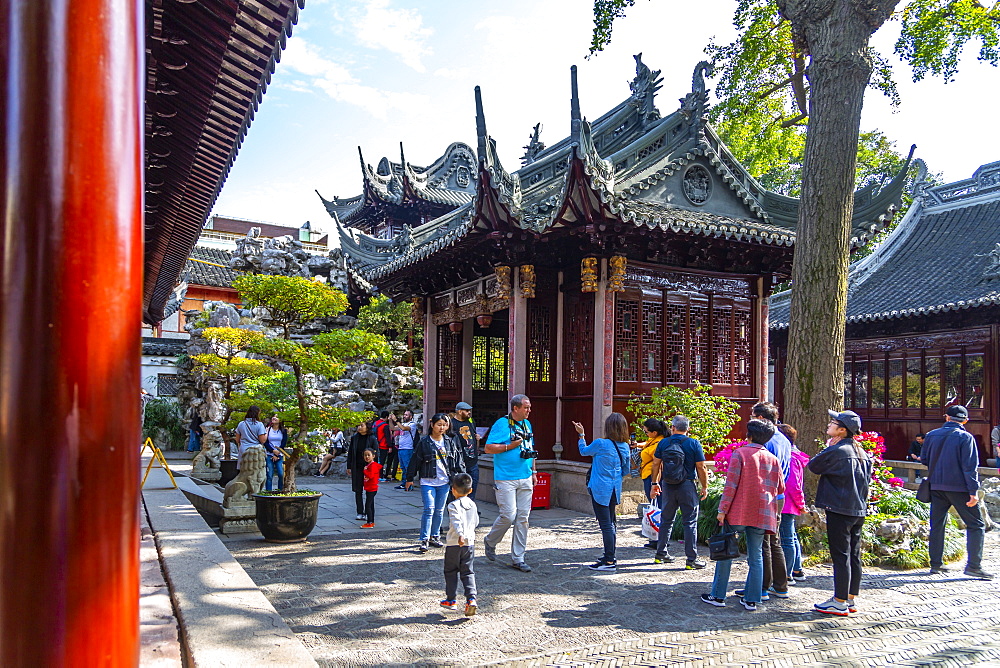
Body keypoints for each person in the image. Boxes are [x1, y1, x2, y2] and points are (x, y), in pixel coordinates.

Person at [700, 419, 784, 612]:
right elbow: (780, 487)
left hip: (739, 511)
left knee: (726, 552)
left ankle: (718, 595)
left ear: (750, 435)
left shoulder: (740, 454)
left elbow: (731, 486)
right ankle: (752, 599)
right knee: (756, 556)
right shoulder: (773, 458)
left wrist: (722, 510)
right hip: (763, 513)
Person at [809, 409, 873, 616]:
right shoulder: (861, 451)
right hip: (857, 508)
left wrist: (828, 448)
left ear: (842, 430)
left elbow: (814, 466)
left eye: (833, 422)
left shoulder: (838, 450)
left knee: (841, 555)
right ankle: (850, 597)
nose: (829, 424)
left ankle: (838, 600)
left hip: (839, 507)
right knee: (853, 554)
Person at [923, 404, 993, 580]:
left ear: (946, 417)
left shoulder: (931, 435)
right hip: (959, 488)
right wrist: (973, 491)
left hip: (936, 486)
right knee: (976, 525)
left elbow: (924, 459)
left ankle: (936, 564)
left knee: (937, 524)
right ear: (965, 420)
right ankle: (974, 566)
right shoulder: (965, 437)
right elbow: (970, 467)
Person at [483, 394, 537, 573]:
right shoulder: (502, 424)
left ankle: (518, 558)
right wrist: (509, 446)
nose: (529, 410)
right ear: (516, 408)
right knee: (508, 515)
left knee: (523, 518)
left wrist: (534, 471)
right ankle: (490, 541)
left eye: (529, 407)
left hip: (525, 475)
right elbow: (488, 448)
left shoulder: (527, 424)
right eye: (526, 407)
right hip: (506, 477)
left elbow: (531, 449)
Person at [573, 413, 631, 571]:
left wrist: (581, 435)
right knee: (611, 523)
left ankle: (609, 561)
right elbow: (626, 469)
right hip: (615, 488)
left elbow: (584, 451)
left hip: (600, 488)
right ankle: (609, 556)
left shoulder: (600, 443)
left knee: (606, 525)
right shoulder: (625, 446)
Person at [651, 415, 709, 570]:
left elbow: (656, 464)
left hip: (668, 485)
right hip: (687, 486)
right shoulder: (693, 443)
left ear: (673, 427)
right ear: (688, 429)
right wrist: (704, 486)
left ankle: (660, 554)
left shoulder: (664, 442)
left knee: (666, 520)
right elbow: (701, 467)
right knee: (690, 522)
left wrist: (654, 484)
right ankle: (691, 560)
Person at [405, 413, 467, 553]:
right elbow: (415, 460)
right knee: (429, 509)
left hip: (444, 481)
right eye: (439, 424)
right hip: (428, 480)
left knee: (439, 511)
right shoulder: (424, 442)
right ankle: (424, 539)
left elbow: (457, 460)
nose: (442, 428)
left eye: (445, 425)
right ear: (432, 424)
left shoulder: (449, 441)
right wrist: (409, 478)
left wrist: (461, 479)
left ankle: (435, 536)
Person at [750, 402, 790, 598]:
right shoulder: (783, 439)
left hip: (766, 495)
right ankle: (780, 585)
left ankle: (762, 587)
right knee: (774, 540)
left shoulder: (767, 441)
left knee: (764, 541)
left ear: (762, 419)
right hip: (779, 495)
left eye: (753, 416)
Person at [440, 472, 479, 616]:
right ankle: (471, 599)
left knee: (450, 571)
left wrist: (461, 534)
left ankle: (451, 599)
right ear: (470, 490)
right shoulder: (473, 505)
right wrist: (468, 533)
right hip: (470, 544)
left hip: (454, 543)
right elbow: (476, 522)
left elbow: (456, 521)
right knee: (468, 571)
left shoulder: (453, 505)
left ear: (453, 489)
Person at [777, 424, 809, 583]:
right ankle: (797, 569)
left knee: (787, 538)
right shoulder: (795, 455)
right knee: (792, 536)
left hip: (787, 503)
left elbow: (793, 485)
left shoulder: (790, 457)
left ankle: (787, 574)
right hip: (791, 503)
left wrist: (801, 503)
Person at [635, 418, 667, 549]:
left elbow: (657, 463)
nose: (645, 434)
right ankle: (657, 537)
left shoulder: (660, 444)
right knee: (656, 506)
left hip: (653, 477)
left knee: (657, 507)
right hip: (647, 475)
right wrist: (637, 445)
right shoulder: (654, 440)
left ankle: (658, 538)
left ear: (654, 432)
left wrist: (655, 482)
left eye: (646, 432)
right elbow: (647, 444)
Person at [347, 422, 378, 521]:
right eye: (358, 425)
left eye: (362, 425)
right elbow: (351, 452)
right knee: (358, 490)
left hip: (369, 468)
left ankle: (369, 512)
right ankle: (360, 512)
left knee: (369, 491)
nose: (359, 427)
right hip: (357, 467)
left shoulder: (372, 438)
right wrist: (349, 466)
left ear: (367, 427)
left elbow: (376, 453)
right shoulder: (354, 438)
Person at [450, 402, 481, 500]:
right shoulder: (452, 423)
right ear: (459, 411)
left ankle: (470, 505)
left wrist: (478, 440)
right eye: (466, 411)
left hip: (472, 459)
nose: (469, 413)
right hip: (460, 461)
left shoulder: (471, 422)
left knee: (473, 485)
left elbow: (474, 438)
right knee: (459, 485)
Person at [263, 415, 288, 492]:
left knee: (281, 474)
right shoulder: (268, 429)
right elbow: (265, 442)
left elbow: (284, 443)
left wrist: (277, 453)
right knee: (269, 475)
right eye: (273, 416)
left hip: (279, 454)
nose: (274, 418)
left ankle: (280, 490)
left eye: (277, 417)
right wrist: (272, 451)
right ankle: (268, 492)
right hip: (269, 454)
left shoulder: (283, 431)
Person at [394, 410, 418, 490]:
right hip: (401, 448)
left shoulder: (412, 425)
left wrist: (396, 421)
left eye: (406, 415)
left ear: (411, 416)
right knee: (402, 467)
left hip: (408, 448)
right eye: (404, 414)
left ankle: (409, 484)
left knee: (408, 467)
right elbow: (392, 428)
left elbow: (404, 429)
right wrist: (391, 420)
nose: (404, 416)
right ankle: (404, 483)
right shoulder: (403, 424)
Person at [373, 411, 397, 481]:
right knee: (381, 461)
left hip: (375, 445)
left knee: (376, 461)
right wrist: (389, 446)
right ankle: (380, 476)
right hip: (383, 445)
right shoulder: (385, 426)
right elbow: (387, 437)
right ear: (386, 417)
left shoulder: (375, 423)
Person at [361, 448, 381, 528]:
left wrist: (365, 471)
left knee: (368, 505)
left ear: (373, 456)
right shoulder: (369, 465)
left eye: (369, 455)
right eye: (365, 455)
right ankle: (371, 521)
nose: (367, 457)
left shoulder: (372, 466)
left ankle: (369, 522)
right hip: (370, 487)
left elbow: (371, 476)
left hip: (372, 488)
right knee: (371, 505)